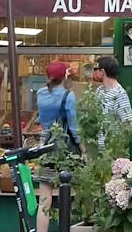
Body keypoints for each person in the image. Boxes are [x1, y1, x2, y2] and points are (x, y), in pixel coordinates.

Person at [33, 61, 81, 232]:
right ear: (65, 76)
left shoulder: (40, 94)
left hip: (46, 147)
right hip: (65, 150)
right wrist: (83, 150)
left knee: (44, 200)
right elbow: (74, 128)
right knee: (68, 196)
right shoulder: (68, 96)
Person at [95, 56, 132, 147]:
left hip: (110, 150)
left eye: (97, 69)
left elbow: (130, 124)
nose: (95, 72)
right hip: (97, 148)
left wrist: (117, 144)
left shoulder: (119, 94)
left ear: (103, 72)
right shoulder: (99, 90)